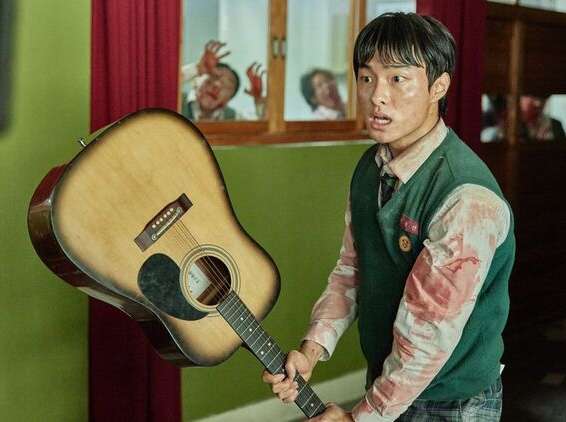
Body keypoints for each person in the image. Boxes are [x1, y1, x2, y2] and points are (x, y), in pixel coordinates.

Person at [262, 12, 515, 422]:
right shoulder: (371, 167)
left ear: (438, 86)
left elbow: (428, 337)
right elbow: (352, 270)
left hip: (453, 404)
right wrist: (311, 350)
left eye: (398, 78)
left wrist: (359, 417)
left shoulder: (465, 198)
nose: (377, 95)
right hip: (387, 384)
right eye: (367, 78)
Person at [181, 40, 266, 120]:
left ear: (227, 101)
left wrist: (258, 100)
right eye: (214, 77)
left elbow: (259, 128)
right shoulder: (177, 100)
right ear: (197, 80)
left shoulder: (233, 118)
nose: (217, 85)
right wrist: (197, 69)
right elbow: (171, 79)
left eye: (227, 86)